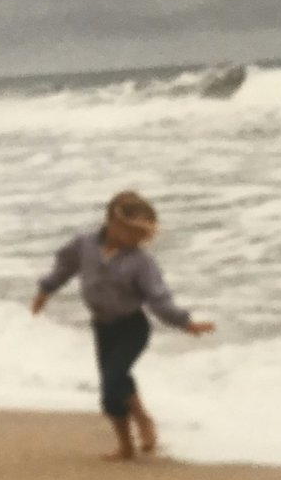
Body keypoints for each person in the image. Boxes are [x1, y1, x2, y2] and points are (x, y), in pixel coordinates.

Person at [31, 191, 215, 460]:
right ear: (112, 223)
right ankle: (126, 446)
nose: (140, 240)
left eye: (144, 236)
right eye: (134, 233)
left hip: (132, 328)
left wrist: (186, 323)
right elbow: (64, 268)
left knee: (114, 379)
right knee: (110, 393)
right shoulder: (85, 245)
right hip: (103, 328)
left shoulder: (142, 262)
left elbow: (158, 298)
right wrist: (44, 292)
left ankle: (143, 419)